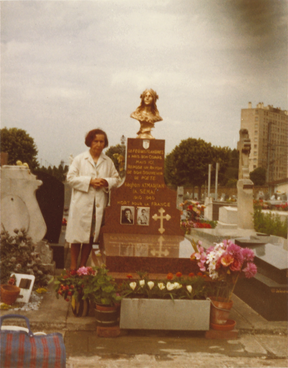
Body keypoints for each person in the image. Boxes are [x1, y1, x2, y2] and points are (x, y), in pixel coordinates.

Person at [65, 129, 120, 270]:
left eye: (102, 141)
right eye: (96, 141)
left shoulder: (108, 161)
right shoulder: (79, 159)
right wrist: (89, 181)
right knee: (77, 235)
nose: (99, 144)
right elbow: (70, 179)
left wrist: (105, 181)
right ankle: (73, 266)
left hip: (98, 204)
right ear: (90, 142)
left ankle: (82, 266)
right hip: (81, 203)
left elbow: (117, 179)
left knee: (91, 236)